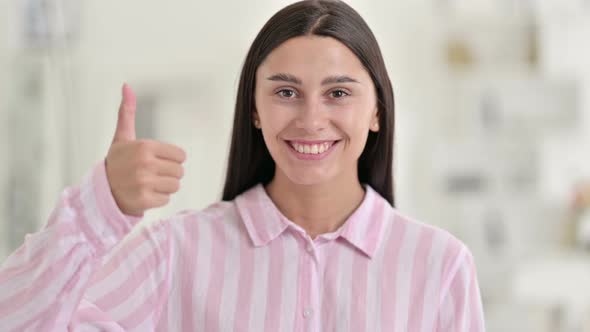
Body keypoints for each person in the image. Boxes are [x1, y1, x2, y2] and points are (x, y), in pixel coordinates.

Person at [0, 0, 485, 331]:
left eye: (338, 93)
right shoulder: (174, 253)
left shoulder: (440, 266)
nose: (311, 119)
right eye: (285, 92)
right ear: (254, 108)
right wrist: (98, 207)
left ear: (377, 109)